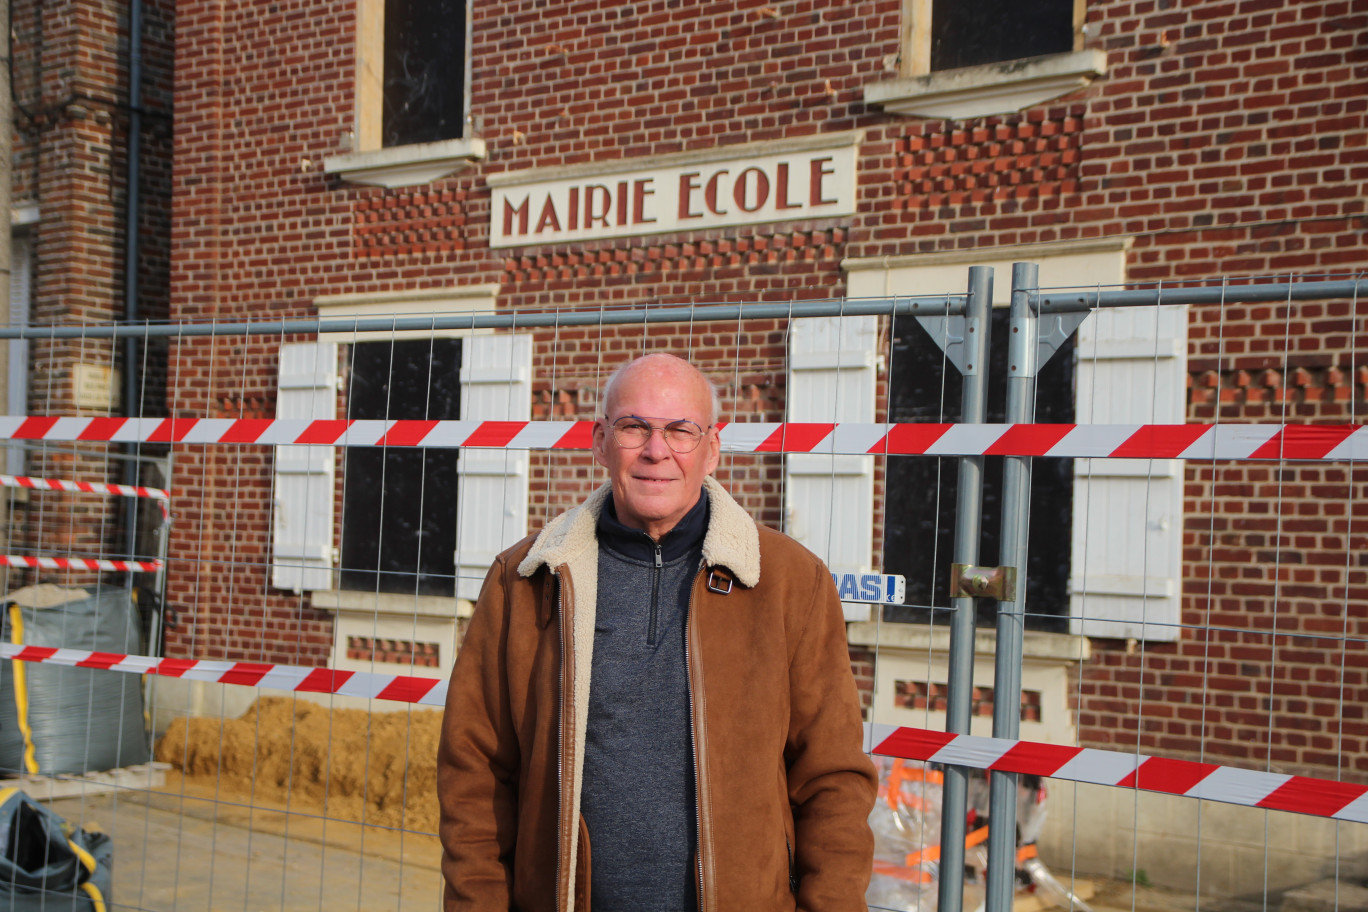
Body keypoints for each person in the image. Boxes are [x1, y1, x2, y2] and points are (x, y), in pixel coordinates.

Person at [437, 352, 876, 911]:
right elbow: (474, 772)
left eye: (680, 430)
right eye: (634, 427)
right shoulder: (525, 581)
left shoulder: (789, 582)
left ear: (712, 448)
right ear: (599, 442)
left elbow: (832, 778)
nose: (655, 450)